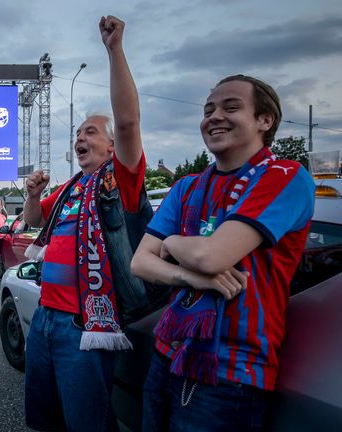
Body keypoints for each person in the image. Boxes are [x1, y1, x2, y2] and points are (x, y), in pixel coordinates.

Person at [130, 75, 315, 431]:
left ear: (265, 120)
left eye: (231, 107)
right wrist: (186, 274)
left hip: (231, 373)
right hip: (168, 353)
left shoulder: (285, 176)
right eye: (208, 110)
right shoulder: (186, 186)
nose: (214, 116)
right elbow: (139, 262)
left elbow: (212, 257)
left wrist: (169, 244)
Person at [22, 16, 146, 431]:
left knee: (87, 423)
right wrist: (32, 195)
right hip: (45, 318)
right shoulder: (75, 186)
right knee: (46, 418)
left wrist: (114, 50)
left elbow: (128, 122)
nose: (80, 138)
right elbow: (32, 221)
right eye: (77, 133)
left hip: (86, 327)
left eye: (90, 132)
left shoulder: (119, 179)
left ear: (112, 147)